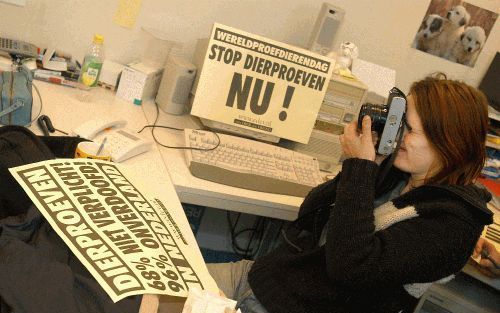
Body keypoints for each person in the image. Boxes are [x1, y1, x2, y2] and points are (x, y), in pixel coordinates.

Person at [207, 73, 494, 313]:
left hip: (282, 305)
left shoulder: (452, 225)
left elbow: (351, 266)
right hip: (268, 280)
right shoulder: (399, 173)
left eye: (409, 129)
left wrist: (361, 169)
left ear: (448, 142)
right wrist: (361, 169)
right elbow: (311, 214)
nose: (398, 135)